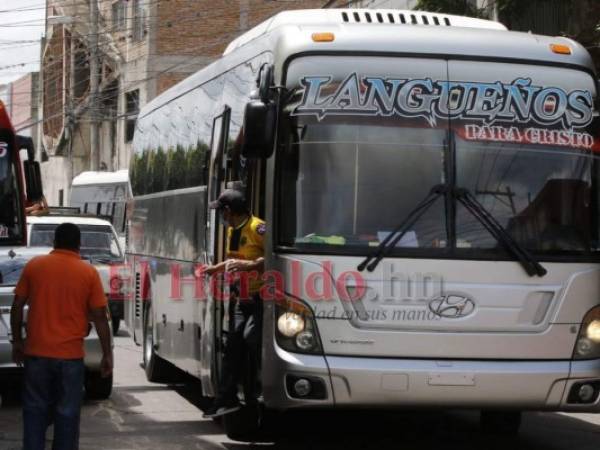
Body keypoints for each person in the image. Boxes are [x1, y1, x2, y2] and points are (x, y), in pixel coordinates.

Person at [10, 223, 113, 450]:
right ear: (79, 245)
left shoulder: (35, 267)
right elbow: (99, 317)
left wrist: (17, 341)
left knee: (34, 414)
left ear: (54, 242)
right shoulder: (88, 272)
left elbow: (17, 305)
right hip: (70, 359)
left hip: (37, 355)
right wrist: (107, 354)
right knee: (67, 416)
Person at [203, 189, 265, 418]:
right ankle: (226, 399)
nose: (220, 216)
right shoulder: (233, 230)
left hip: (260, 297)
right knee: (233, 347)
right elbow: (233, 260)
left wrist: (250, 267)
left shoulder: (258, 228)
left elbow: (274, 255)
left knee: (251, 337)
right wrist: (215, 269)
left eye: (220, 211)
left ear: (228, 211)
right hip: (241, 298)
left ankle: (260, 387)